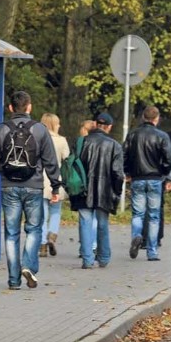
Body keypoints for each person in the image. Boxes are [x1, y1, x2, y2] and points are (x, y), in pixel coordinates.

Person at [0, 91, 61, 290]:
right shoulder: (40, 130)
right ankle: (28, 266)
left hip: (8, 187)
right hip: (34, 186)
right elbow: (50, 161)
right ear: (29, 107)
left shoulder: (0, 130)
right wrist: (55, 186)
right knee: (34, 229)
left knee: (11, 234)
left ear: (10, 108)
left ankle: (14, 280)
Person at [69, 112, 124, 269]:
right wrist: (117, 192)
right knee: (102, 223)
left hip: (83, 190)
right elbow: (117, 173)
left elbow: (72, 165)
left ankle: (87, 259)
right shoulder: (114, 145)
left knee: (85, 223)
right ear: (109, 127)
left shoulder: (81, 142)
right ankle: (104, 257)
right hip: (103, 190)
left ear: (95, 124)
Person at [123, 106, 171, 261]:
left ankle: (137, 235)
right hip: (155, 179)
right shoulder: (162, 136)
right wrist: (164, 173)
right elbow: (169, 159)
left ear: (143, 118)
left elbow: (124, 155)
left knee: (138, 213)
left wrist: (128, 173)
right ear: (156, 119)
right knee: (154, 216)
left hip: (137, 178)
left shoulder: (132, 135)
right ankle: (152, 251)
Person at [39, 113, 70, 257]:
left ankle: (43, 244)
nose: (59, 125)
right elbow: (67, 160)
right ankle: (52, 235)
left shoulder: (38, 138)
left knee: (42, 214)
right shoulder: (62, 141)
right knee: (56, 211)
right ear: (53, 124)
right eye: (57, 123)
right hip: (56, 178)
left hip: (40, 179)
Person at [78, 119, 97, 257]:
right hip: (98, 183)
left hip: (81, 184)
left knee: (84, 219)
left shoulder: (79, 142)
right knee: (96, 217)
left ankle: (85, 250)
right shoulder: (102, 142)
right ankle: (94, 245)